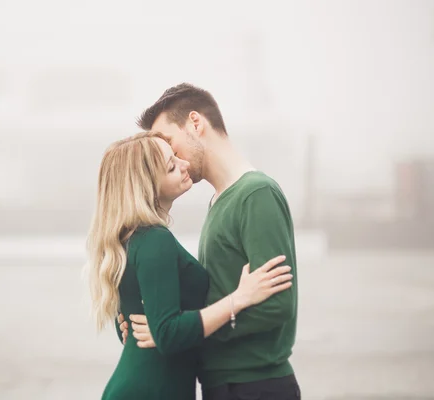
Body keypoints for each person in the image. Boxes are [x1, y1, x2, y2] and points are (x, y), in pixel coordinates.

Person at [118, 83, 301, 400]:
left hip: (254, 386)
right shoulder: (219, 201)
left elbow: (276, 305)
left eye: (170, 144)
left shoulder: (256, 193)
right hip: (222, 385)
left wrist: (176, 332)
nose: (172, 158)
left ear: (195, 123)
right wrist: (162, 322)